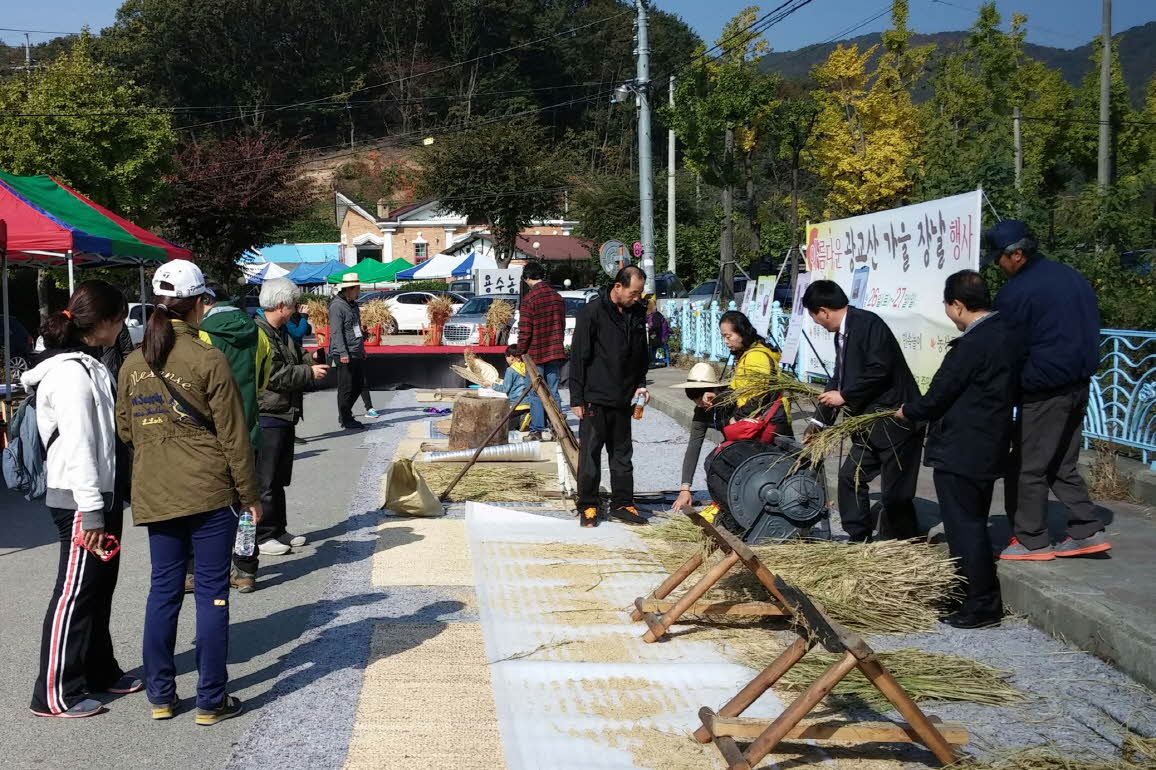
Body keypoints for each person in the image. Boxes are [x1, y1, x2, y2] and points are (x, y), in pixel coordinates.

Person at [116, 259, 260, 725]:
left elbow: (125, 430)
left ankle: (160, 696)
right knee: (213, 593)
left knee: (163, 592)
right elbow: (233, 435)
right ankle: (210, 700)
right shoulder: (208, 358)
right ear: (199, 304)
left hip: (156, 491)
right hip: (207, 490)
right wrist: (250, 494)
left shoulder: (132, 363)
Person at [26, 281, 137, 719]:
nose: (124, 326)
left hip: (96, 496)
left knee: (98, 588)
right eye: (122, 318)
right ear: (105, 322)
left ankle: (98, 670)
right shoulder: (70, 374)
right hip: (78, 499)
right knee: (74, 593)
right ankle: (53, 691)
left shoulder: (89, 366)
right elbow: (79, 446)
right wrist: (92, 509)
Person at [897, 271, 1023, 629]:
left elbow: (939, 396)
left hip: (962, 447)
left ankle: (981, 604)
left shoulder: (971, 345)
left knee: (964, 526)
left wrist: (909, 411)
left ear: (957, 305)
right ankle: (968, 593)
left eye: (948, 306)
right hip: (990, 442)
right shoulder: (1007, 335)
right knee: (973, 521)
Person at [985, 220, 1109, 560]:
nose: (998, 266)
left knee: (1028, 465)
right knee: (1061, 463)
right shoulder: (1070, 275)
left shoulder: (1017, 292)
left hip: (1043, 391)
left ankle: (1030, 539)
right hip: (1079, 384)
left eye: (999, 259)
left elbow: (1005, 346)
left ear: (1017, 255)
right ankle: (1087, 528)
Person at [803, 279, 923, 542]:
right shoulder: (842, 334)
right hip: (867, 425)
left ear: (824, 310)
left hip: (894, 420)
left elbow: (880, 369)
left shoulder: (868, 325)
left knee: (896, 494)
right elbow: (838, 377)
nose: (817, 323)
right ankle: (859, 537)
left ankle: (905, 546)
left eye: (815, 317)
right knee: (850, 477)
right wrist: (819, 423)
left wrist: (845, 395)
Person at [232, 279, 329, 591]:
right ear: (280, 305)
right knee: (266, 479)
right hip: (269, 413)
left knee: (280, 478)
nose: (297, 308)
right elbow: (272, 376)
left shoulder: (283, 331)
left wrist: (309, 362)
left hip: (285, 413)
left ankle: (278, 528)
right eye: (293, 303)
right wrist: (308, 373)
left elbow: (295, 359)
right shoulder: (260, 332)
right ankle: (263, 536)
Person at [670, 311, 790, 513]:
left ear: (742, 332)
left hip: (768, 422)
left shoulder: (756, 357)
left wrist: (737, 418)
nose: (726, 341)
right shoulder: (743, 358)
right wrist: (685, 488)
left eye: (728, 336)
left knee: (731, 463)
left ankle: (740, 509)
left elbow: (760, 394)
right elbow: (738, 390)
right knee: (720, 461)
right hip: (753, 422)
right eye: (723, 337)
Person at [570, 265, 650, 527]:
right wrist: (577, 398)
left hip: (624, 396)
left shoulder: (637, 313)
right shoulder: (591, 313)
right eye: (634, 292)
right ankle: (588, 505)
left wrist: (641, 384)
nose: (636, 298)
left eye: (640, 293)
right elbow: (579, 357)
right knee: (590, 455)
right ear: (618, 286)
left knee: (622, 455)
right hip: (595, 396)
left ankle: (623, 503)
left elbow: (641, 351)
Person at [198, 286, 271, 451]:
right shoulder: (259, 332)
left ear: (204, 301)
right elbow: (261, 385)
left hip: (213, 438)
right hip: (249, 432)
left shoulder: (199, 335)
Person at [514, 261, 566, 440]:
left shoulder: (529, 300)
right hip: (555, 350)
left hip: (535, 352)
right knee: (552, 390)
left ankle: (537, 429)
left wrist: (520, 351)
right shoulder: (557, 297)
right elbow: (562, 324)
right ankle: (558, 428)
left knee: (536, 391)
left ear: (527, 278)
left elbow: (525, 330)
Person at [668, 362, 727, 513]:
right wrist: (685, 488)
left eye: (703, 399)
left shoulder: (730, 400)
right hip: (731, 444)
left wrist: (720, 399)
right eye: (697, 401)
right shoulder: (701, 411)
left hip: (753, 439)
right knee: (713, 461)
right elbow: (694, 446)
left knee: (718, 461)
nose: (702, 404)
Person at [328, 274, 367, 430]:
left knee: (358, 385)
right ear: (348, 289)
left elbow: (356, 328)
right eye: (357, 289)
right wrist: (343, 353)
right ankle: (345, 417)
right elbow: (336, 332)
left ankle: (345, 413)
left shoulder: (353, 305)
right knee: (346, 388)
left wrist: (362, 348)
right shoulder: (337, 306)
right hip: (343, 352)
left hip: (355, 350)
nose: (359, 291)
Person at [646, 297, 671, 368]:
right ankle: (652, 360)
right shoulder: (654, 314)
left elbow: (656, 327)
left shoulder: (655, 315)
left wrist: (650, 328)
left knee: (648, 343)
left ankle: (652, 361)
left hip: (660, 336)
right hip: (660, 335)